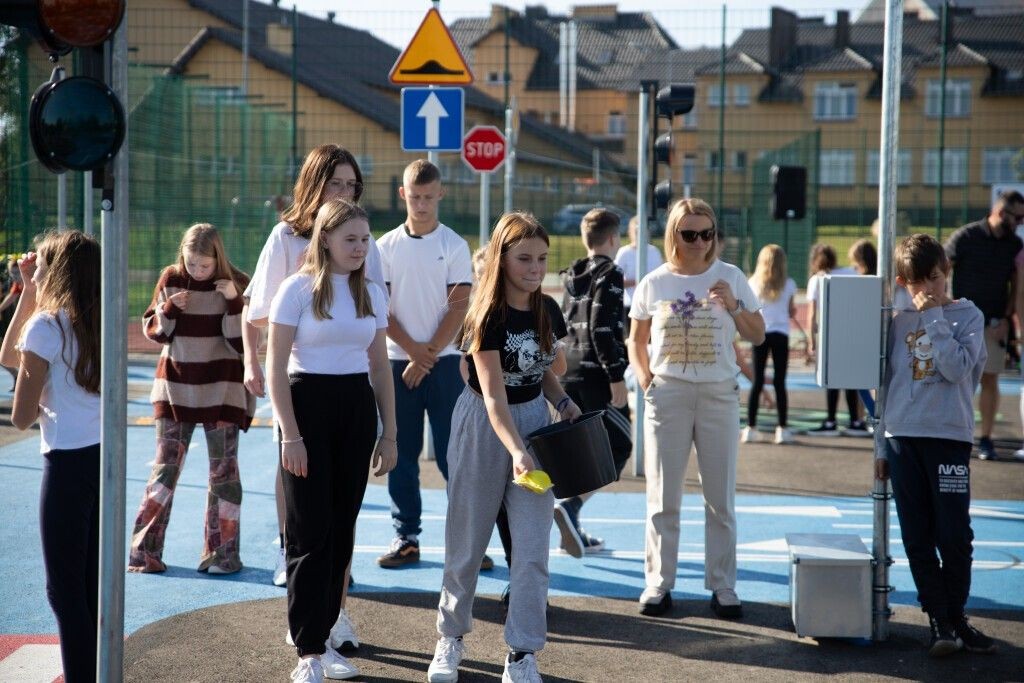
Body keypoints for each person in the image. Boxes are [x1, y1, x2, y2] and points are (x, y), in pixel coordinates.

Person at [427, 212, 580, 683]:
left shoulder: (547, 309)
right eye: (524, 259)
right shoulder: (485, 315)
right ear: (500, 258)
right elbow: (493, 395)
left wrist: (565, 402)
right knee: (467, 543)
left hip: (534, 420)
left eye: (542, 258)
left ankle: (522, 652)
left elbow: (541, 371)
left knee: (532, 551)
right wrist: (518, 451)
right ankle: (450, 638)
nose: (535, 268)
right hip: (485, 427)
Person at [243, 144, 384, 650]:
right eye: (336, 184)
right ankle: (303, 610)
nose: (345, 193)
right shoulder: (286, 239)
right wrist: (253, 363)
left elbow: (373, 325)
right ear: (314, 185)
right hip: (300, 385)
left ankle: (335, 612)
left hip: (348, 389)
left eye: (352, 185)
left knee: (340, 518)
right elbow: (258, 312)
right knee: (307, 512)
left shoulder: (364, 242)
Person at [267, 199, 397, 683]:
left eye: (365, 239)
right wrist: (291, 436)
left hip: (355, 410)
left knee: (342, 530)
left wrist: (391, 433)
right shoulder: (296, 290)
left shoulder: (372, 292)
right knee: (309, 532)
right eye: (350, 239)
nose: (360, 248)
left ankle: (325, 640)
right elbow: (276, 368)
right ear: (325, 239)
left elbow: (380, 366)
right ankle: (308, 652)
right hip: (307, 408)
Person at [627, 198, 764, 619]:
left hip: (719, 394)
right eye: (690, 234)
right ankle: (658, 582)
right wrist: (648, 380)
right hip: (669, 393)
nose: (700, 242)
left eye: (707, 233)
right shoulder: (655, 282)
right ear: (674, 236)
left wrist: (735, 305)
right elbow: (636, 340)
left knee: (719, 497)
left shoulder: (731, 276)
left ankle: (722, 585)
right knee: (662, 495)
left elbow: (757, 335)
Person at [876, 233, 997, 657]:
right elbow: (885, 381)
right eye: (917, 283)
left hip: (948, 435)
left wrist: (934, 320)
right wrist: (880, 444)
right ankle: (940, 621)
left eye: (934, 278)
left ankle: (955, 615)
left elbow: (955, 369)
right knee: (916, 534)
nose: (927, 289)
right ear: (902, 281)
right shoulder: (896, 321)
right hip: (903, 436)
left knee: (954, 534)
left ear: (947, 272)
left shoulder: (968, 315)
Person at [0, 231, 101, 682]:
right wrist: (27, 292)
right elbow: (9, 355)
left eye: (40, 265)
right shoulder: (97, 320)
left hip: (65, 464)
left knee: (64, 592)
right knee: (90, 587)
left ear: (55, 271)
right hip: (104, 462)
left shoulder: (47, 327)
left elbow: (20, 417)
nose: (33, 270)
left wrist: (41, 393)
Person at [127, 224, 253, 575]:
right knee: (164, 470)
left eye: (204, 266)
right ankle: (143, 553)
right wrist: (169, 309)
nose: (196, 271)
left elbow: (242, 344)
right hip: (175, 389)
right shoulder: (171, 277)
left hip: (223, 390)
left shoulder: (237, 283)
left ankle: (222, 554)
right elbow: (155, 331)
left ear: (218, 259)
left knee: (224, 475)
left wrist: (232, 301)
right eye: (191, 263)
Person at [376, 159, 474, 569]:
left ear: (440, 195)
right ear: (403, 194)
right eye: (414, 196)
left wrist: (427, 354)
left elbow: (459, 307)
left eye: (428, 197)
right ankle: (407, 536)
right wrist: (413, 353)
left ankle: (468, 542)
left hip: (446, 364)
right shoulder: (384, 247)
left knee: (457, 456)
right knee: (402, 452)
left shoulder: (453, 244)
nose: (421, 204)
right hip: (398, 365)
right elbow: (381, 309)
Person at [556, 207, 632, 557]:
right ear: (614, 239)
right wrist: (616, 375)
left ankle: (570, 522)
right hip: (598, 374)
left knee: (581, 450)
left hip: (569, 371)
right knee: (620, 445)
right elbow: (602, 327)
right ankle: (570, 507)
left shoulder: (573, 272)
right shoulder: (610, 273)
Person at [944, 190, 1024, 460]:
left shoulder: (1013, 244)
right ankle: (955, 435)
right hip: (959, 321)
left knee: (990, 378)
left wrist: (1007, 315)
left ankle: (986, 438)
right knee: (957, 380)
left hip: (993, 323)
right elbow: (942, 269)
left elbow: (1017, 284)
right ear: (1002, 212)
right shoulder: (965, 237)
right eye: (1018, 217)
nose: (1020, 223)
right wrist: (943, 307)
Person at [805, 243, 866, 436]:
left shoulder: (817, 279)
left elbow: (812, 315)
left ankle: (831, 420)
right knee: (850, 379)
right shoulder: (851, 273)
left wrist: (811, 341)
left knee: (831, 378)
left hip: (829, 333)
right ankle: (855, 420)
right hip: (851, 331)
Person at [742, 244, 796, 445]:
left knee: (757, 381)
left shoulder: (753, 282)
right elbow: (790, 310)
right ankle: (782, 428)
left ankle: (750, 427)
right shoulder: (789, 284)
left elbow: (749, 307)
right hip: (781, 333)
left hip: (761, 333)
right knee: (780, 382)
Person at [615, 215, 663, 335]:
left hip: (652, 305)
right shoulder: (624, 253)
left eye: (643, 231)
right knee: (631, 340)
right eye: (636, 231)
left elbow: (661, 278)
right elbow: (615, 281)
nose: (639, 234)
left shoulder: (654, 251)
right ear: (630, 232)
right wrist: (637, 282)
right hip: (630, 305)